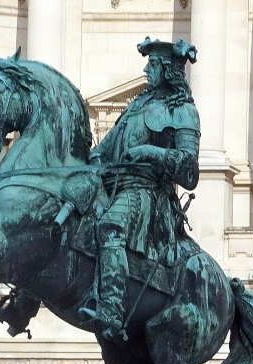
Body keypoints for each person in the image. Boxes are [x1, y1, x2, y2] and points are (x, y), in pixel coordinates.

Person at [79, 37, 201, 341]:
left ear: (168, 70)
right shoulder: (136, 106)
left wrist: (150, 152)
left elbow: (189, 171)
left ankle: (111, 310)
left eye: (153, 65)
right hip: (112, 185)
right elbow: (103, 150)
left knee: (110, 226)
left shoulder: (183, 111)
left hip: (147, 193)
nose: (146, 70)